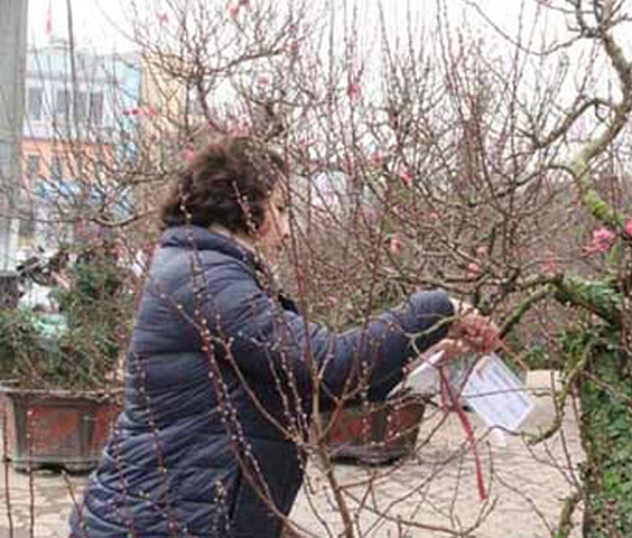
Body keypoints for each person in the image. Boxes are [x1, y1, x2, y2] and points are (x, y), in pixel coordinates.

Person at [69, 136, 499, 538]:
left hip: (174, 515)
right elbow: (328, 366)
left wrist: (423, 348)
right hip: (162, 523)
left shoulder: (202, 270)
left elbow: (304, 389)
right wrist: (439, 308)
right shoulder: (207, 281)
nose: (288, 231)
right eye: (281, 208)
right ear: (242, 207)